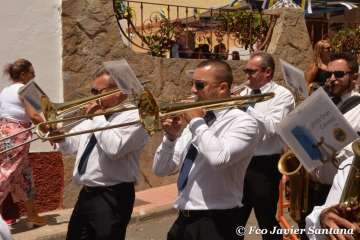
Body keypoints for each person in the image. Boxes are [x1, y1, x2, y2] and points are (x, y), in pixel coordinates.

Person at [153, 59, 261, 240]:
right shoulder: (198, 121)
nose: (193, 90)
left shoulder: (243, 122)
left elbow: (219, 158)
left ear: (222, 88)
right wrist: (170, 138)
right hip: (184, 219)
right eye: (192, 84)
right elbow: (162, 169)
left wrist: (196, 122)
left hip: (218, 222)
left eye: (199, 85)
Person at [53, 69, 149, 240]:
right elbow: (71, 146)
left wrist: (97, 116)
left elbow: (114, 149)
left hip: (112, 196)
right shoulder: (98, 116)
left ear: (119, 92)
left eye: (98, 92)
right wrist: (59, 137)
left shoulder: (135, 117)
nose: (93, 97)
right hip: (87, 194)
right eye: (92, 91)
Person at [300, 52, 360, 240]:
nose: (332, 79)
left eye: (339, 75)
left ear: (355, 77)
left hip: (338, 195)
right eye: (329, 75)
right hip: (313, 188)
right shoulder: (322, 103)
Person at [238, 52, 295, 240]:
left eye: (251, 72)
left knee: (267, 222)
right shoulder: (244, 93)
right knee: (233, 221)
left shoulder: (282, 96)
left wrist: (246, 107)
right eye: (246, 71)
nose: (247, 76)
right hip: (240, 163)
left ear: (267, 72)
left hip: (264, 166)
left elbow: (273, 127)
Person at [0, 58, 47, 227]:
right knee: (5, 174)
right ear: (23, 74)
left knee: (24, 176)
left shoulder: (6, 90)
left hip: (5, 133)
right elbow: (34, 115)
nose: (34, 75)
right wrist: (50, 130)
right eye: (31, 72)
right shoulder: (24, 89)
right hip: (18, 135)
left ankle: (32, 215)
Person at [305, 155, 360, 240]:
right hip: (313, 186)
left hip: (326, 186)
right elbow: (313, 228)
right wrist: (322, 219)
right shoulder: (351, 164)